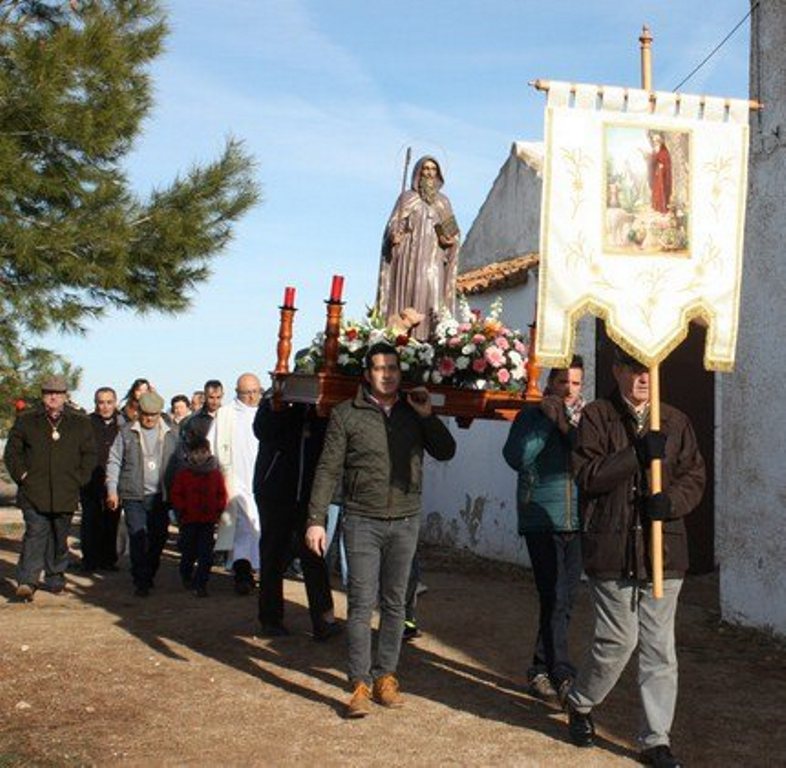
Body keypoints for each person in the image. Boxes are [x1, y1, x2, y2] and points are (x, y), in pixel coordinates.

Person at [564, 347, 705, 768]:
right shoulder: (596, 417)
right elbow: (587, 475)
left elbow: (694, 476)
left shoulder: (675, 420)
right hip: (611, 547)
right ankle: (581, 700)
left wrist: (671, 503)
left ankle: (654, 739)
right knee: (618, 640)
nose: (643, 377)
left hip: (664, 551)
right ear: (618, 371)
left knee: (660, 649)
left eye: (649, 370)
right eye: (634, 369)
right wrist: (636, 454)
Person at [306, 342, 456, 718]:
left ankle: (385, 677)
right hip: (362, 521)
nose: (387, 374)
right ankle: (358, 683)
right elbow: (327, 469)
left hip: (405, 520)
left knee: (395, 604)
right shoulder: (346, 414)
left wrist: (426, 416)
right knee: (359, 605)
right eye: (379, 368)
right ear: (366, 373)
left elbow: (446, 450)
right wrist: (315, 519)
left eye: (392, 367)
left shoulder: (412, 412)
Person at [503, 356, 586, 703]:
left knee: (565, 598)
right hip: (540, 517)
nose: (569, 389)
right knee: (554, 594)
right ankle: (561, 672)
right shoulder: (530, 417)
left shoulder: (587, 417)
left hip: (579, 519)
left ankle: (540, 667)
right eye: (564, 381)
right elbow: (517, 457)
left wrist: (567, 425)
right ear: (551, 382)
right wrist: (548, 423)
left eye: (576, 383)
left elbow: (588, 455)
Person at [4, 376, 96, 601]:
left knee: (59, 536)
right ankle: (27, 581)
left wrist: (79, 479)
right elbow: (12, 454)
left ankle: (55, 577)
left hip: (66, 490)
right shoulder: (27, 420)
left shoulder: (80, 422)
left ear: (65, 395)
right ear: (42, 395)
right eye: (48, 393)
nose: (53, 397)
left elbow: (90, 454)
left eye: (58, 393)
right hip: (33, 491)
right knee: (35, 534)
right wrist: (23, 475)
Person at [254, 397, 339, 640]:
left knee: (314, 554)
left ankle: (324, 621)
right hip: (275, 491)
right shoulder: (276, 399)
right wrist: (280, 408)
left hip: (309, 495)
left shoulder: (323, 406)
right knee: (273, 554)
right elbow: (262, 430)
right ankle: (270, 619)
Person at [376, 156, 459, 340]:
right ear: (418, 172)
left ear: (438, 174)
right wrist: (393, 235)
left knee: (432, 298)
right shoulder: (407, 198)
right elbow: (393, 225)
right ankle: (401, 338)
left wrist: (448, 240)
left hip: (433, 259)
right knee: (406, 295)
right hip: (408, 258)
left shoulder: (443, 202)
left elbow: (453, 235)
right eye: (425, 169)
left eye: (433, 169)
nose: (429, 173)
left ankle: (431, 341)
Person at [106, 391, 178, 597]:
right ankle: (141, 579)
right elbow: (114, 461)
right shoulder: (126, 432)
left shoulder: (172, 433)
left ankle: (150, 571)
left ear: (160, 414)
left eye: (153, 415)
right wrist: (112, 490)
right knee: (137, 536)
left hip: (160, 496)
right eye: (145, 414)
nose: (149, 419)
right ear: (138, 412)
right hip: (133, 494)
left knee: (158, 538)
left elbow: (180, 464)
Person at [212, 373, 262, 594]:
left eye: (255, 392)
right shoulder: (225, 415)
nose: (251, 397)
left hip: (262, 481)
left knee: (259, 528)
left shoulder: (267, 412)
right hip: (236, 481)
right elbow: (213, 447)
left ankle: (258, 569)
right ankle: (243, 573)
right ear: (237, 392)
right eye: (246, 393)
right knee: (243, 529)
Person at [170, 436, 227, 597]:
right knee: (188, 551)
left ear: (209, 452)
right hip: (189, 519)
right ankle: (186, 575)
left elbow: (221, 494)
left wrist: (218, 510)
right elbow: (176, 493)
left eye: (203, 452)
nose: (200, 455)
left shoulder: (215, 474)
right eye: (196, 452)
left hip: (208, 520)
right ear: (190, 454)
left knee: (206, 554)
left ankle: (201, 583)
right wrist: (181, 509)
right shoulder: (184, 474)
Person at [79, 387, 122, 573]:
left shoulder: (123, 424)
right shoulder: (86, 424)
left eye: (109, 402)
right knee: (90, 521)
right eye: (101, 402)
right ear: (96, 403)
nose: (105, 406)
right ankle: (89, 560)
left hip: (114, 480)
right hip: (90, 480)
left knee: (111, 521)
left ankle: (108, 560)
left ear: (115, 402)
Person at [643, 132, 672, 214]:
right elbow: (652, 160)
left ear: (661, 141)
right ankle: (656, 208)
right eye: (655, 140)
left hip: (663, 175)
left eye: (657, 140)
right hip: (657, 174)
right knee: (656, 191)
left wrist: (662, 166)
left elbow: (666, 160)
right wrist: (647, 157)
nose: (656, 142)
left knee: (662, 190)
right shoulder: (655, 149)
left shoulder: (664, 151)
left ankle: (663, 209)